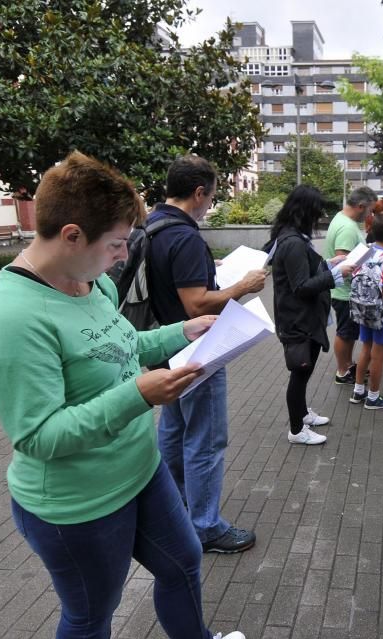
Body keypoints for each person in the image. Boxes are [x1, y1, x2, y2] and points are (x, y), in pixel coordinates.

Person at [0, 151, 246, 639]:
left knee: (183, 560)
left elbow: (121, 345)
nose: (123, 257)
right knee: (93, 614)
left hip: (140, 471)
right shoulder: (12, 317)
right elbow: (38, 436)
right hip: (77, 506)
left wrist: (182, 332)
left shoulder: (90, 281)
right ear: (72, 235)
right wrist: (138, 394)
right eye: (117, 244)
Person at [147, 155, 267, 554]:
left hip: (163, 349)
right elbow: (197, 304)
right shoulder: (185, 238)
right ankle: (206, 526)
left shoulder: (153, 227)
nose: (210, 205)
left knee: (173, 434)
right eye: (211, 197)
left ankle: (174, 509)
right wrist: (244, 285)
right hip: (198, 353)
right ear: (198, 193)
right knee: (205, 441)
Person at [263, 185, 355, 445]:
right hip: (297, 320)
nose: (319, 217)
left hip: (303, 318)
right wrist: (337, 275)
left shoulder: (293, 237)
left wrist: (330, 265)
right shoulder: (292, 242)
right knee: (300, 373)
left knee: (306, 370)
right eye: (316, 211)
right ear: (305, 211)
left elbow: (307, 269)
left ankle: (302, 414)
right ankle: (296, 430)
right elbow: (301, 286)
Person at [322, 186, 378, 385]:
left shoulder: (342, 219)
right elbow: (341, 261)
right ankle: (342, 371)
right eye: (370, 210)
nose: (370, 214)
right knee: (345, 333)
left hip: (344, 290)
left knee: (348, 332)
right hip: (344, 292)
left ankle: (347, 365)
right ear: (361, 206)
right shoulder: (347, 227)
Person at [349, 212, 383, 410]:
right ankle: (373, 397)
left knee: (365, 349)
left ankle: (358, 391)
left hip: (362, 309)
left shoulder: (365, 252)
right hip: (381, 312)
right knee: (378, 354)